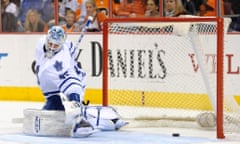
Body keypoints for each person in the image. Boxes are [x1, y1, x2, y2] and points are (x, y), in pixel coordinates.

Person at [33, 26, 127, 137]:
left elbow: (72, 84)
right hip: (51, 86)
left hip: (72, 79)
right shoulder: (41, 42)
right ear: (47, 39)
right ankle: (101, 115)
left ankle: (103, 119)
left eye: (56, 45)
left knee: (74, 105)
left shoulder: (62, 61)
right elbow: (71, 47)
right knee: (54, 110)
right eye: (50, 44)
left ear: (61, 44)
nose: (52, 48)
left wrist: (74, 98)